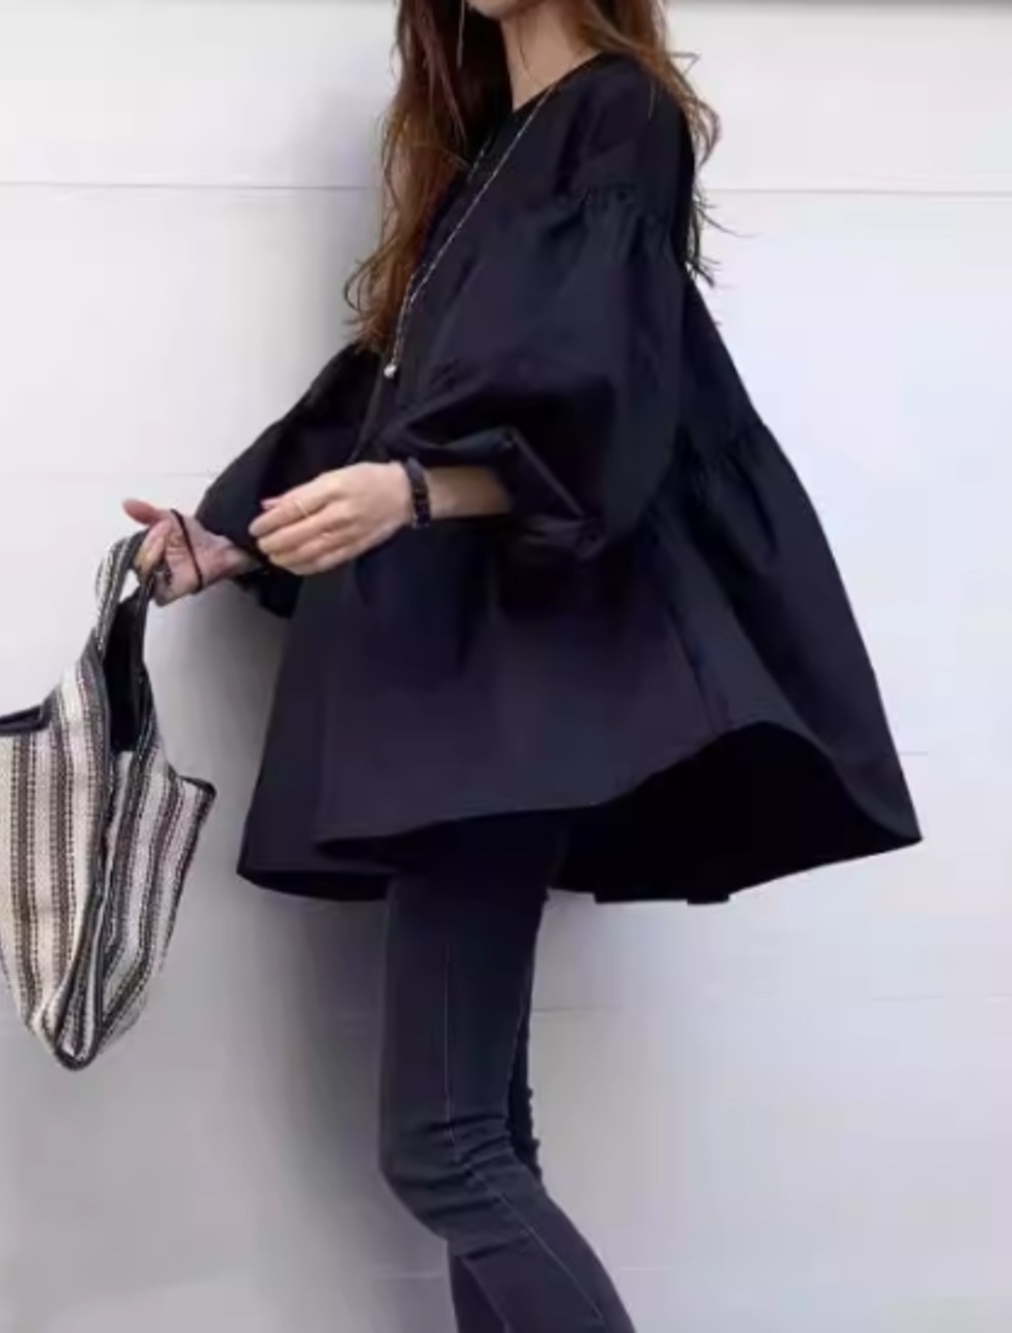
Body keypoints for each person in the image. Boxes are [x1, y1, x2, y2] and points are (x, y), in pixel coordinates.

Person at [124, 2, 921, 1328]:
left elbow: (614, 400)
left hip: (508, 682)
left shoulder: (620, 112)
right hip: (456, 678)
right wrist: (231, 538)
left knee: (442, 1146)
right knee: (481, 1130)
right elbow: (384, 400)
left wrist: (419, 493)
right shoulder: (487, 150)